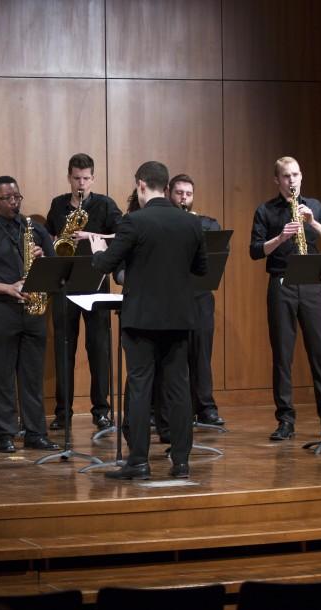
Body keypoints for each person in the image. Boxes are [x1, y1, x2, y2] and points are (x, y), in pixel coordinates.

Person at [89, 161, 207, 479]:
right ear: (166, 188)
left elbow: (105, 265)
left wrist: (98, 248)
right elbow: (201, 270)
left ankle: (139, 462)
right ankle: (181, 462)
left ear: (141, 185)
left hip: (141, 320)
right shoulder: (191, 223)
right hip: (180, 318)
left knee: (140, 387)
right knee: (179, 389)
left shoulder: (134, 222)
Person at [249, 156, 321, 442]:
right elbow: (255, 251)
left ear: (301, 176)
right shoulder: (265, 210)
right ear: (276, 180)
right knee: (283, 355)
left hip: (312, 285)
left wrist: (313, 223)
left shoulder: (314, 206)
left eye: (295, 175)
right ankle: (285, 421)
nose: (291, 180)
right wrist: (280, 238)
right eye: (285, 176)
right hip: (281, 284)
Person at [0, 176, 59, 453]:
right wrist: (7, 288)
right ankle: (4, 433)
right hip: (0, 310)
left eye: (17, 197)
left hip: (33, 311)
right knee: (2, 375)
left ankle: (35, 432)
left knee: (32, 376)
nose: (14, 202)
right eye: (7, 198)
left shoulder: (32, 227)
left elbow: (55, 268)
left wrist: (42, 257)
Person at [45, 153, 121, 432]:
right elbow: (48, 237)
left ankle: (101, 411)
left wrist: (91, 236)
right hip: (64, 283)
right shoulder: (57, 205)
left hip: (96, 281)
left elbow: (123, 235)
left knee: (99, 349)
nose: (81, 183)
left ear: (93, 178)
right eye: (76, 178)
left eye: (86, 178)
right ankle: (62, 412)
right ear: (69, 177)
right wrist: (54, 241)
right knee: (64, 348)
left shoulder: (105, 204)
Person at [169, 174, 224, 428]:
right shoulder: (165, 223)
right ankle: (173, 410)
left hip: (200, 297)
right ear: (170, 194)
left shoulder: (207, 223)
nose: (184, 198)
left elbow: (214, 252)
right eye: (179, 193)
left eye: (188, 194)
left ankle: (205, 408)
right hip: (173, 297)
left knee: (202, 354)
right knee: (174, 356)